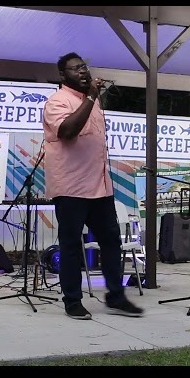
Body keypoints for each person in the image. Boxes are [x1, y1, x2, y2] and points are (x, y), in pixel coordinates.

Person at [42, 52, 144, 320]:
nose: (83, 72)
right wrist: (90, 98)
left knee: (111, 241)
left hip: (99, 186)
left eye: (84, 66)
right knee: (72, 245)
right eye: (76, 69)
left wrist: (91, 99)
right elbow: (68, 131)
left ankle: (115, 296)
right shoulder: (57, 102)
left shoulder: (94, 103)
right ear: (63, 76)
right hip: (71, 187)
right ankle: (72, 301)